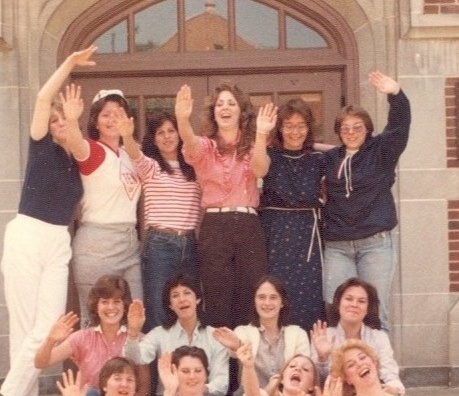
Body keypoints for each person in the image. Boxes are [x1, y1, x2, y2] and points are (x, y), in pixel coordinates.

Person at [0, 46, 96, 396]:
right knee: (24, 324)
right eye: (55, 122)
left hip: (58, 241)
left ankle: (19, 394)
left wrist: (73, 123)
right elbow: (42, 98)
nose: (58, 126)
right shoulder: (40, 147)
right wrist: (68, 65)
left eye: (64, 123)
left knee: (49, 320)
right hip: (27, 234)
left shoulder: (76, 161)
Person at [174, 82, 275, 329]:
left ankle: (245, 366)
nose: (225, 108)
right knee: (217, 297)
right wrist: (182, 119)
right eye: (220, 104)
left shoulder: (253, 145)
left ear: (241, 111)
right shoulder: (206, 146)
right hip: (215, 226)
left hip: (248, 224)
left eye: (231, 103)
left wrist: (261, 135)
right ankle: (223, 367)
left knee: (249, 296)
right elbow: (189, 142)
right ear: (213, 112)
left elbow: (260, 169)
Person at [322, 71, 411, 333]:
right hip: (337, 246)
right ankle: (340, 371)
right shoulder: (330, 158)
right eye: (345, 128)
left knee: (373, 312)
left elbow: (399, 127)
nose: (351, 133)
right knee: (336, 311)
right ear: (338, 132)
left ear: (367, 129)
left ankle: (379, 373)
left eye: (357, 127)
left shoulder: (381, 151)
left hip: (375, 245)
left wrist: (396, 95)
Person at [61, 85, 142, 327]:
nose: (112, 119)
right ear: (95, 121)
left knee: (135, 318)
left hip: (130, 243)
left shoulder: (131, 153)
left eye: (119, 112)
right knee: (95, 322)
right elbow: (76, 144)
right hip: (97, 243)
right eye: (105, 114)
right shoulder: (94, 150)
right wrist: (72, 120)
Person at [124, 109, 201, 332]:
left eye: (171, 131)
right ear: (154, 138)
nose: (167, 137)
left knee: (189, 307)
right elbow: (134, 154)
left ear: (180, 134)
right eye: (160, 133)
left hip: (189, 242)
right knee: (158, 307)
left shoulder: (194, 169)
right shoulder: (152, 167)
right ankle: (160, 366)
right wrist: (128, 136)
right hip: (160, 244)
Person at [257, 97, 326, 331]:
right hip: (275, 234)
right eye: (288, 126)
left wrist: (318, 146)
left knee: (308, 295)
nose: (295, 132)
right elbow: (256, 167)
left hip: (307, 236)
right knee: (277, 292)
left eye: (301, 126)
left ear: (309, 128)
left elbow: (344, 151)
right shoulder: (269, 156)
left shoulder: (318, 159)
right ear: (279, 128)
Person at [34, 275, 150, 396]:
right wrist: (50, 340)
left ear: (125, 306)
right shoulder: (82, 338)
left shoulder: (138, 339)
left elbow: (144, 391)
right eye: (104, 302)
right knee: (89, 394)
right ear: (96, 306)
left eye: (117, 301)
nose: (111, 307)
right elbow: (40, 363)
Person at [123, 272, 229, 396]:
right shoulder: (159, 334)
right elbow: (135, 359)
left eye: (187, 293)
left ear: (198, 299)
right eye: (175, 295)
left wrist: (196, 390)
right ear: (170, 305)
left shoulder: (215, 336)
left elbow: (221, 383)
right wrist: (133, 332)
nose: (182, 299)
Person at [311, 277, 404, 395]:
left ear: (368, 309)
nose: (354, 304)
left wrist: (393, 390)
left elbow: (391, 376)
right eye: (349, 299)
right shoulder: (323, 336)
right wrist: (322, 358)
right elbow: (316, 383)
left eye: (361, 301)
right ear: (338, 304)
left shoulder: (380, 338)